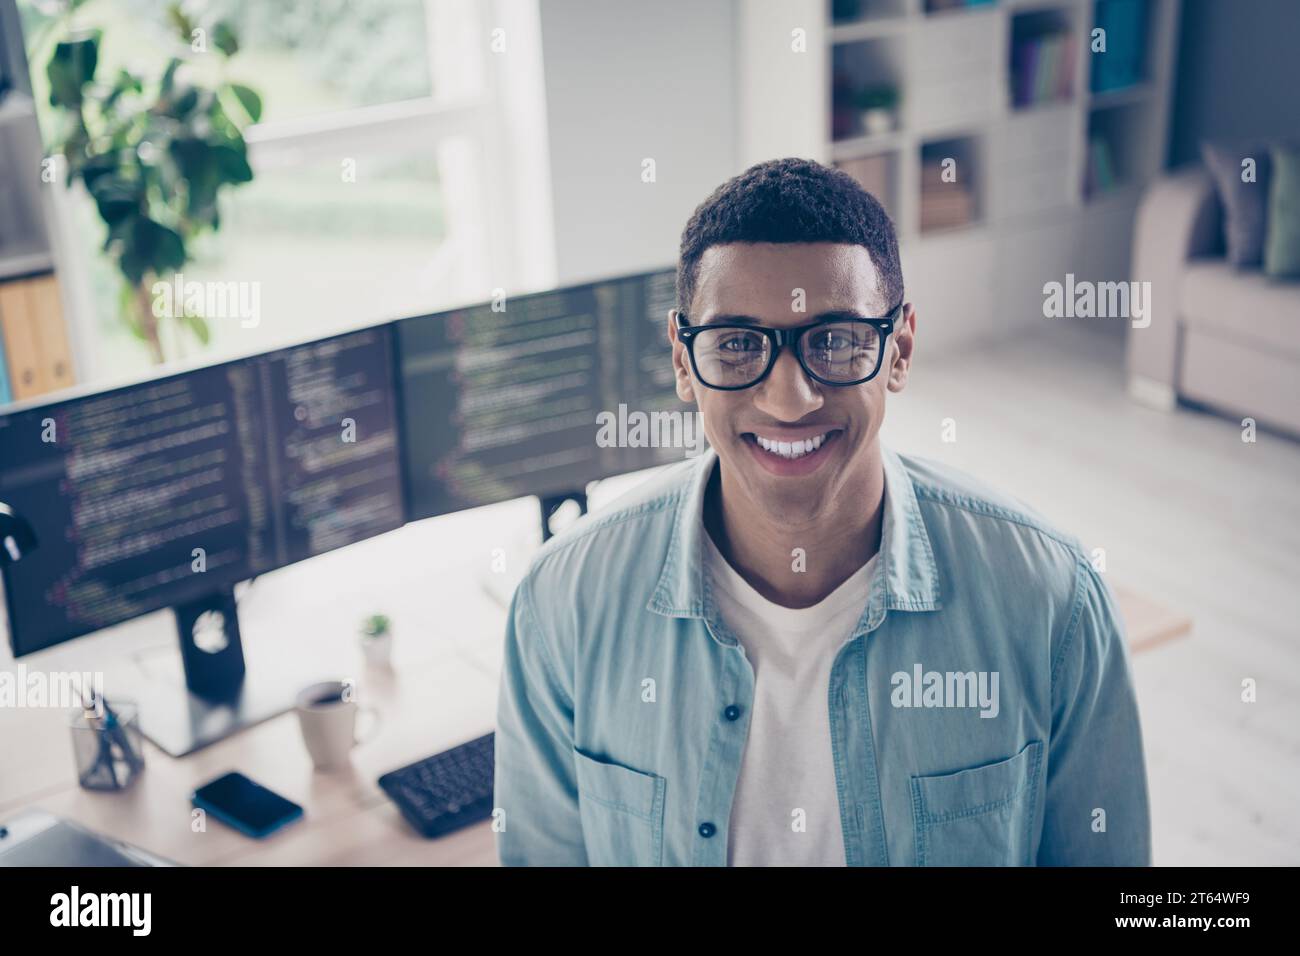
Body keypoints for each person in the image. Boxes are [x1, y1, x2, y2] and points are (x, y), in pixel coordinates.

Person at [494, 157, 1151, 866]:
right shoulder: (560, 602)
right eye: (738, 343)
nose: (790, 398)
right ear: (684, 363)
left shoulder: (1052, 598)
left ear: (898, 349)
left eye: (835, 340)